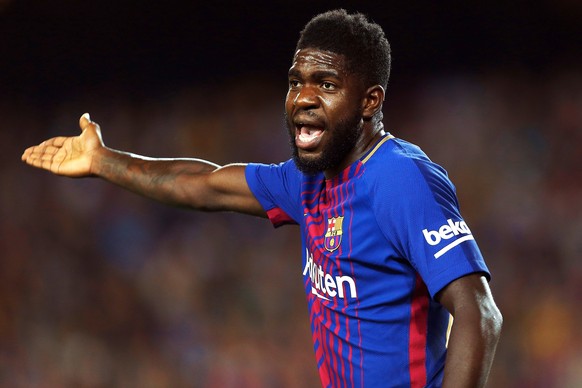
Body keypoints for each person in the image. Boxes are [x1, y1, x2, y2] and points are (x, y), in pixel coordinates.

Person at [22, 9, 502, 388]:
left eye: (327, 84)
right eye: (297, 81)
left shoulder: (400, 179)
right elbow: (205, 184)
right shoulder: (306, 181)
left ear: (369, 102)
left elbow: (480, 313)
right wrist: (106, 162)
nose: (303, 97)